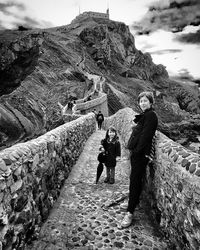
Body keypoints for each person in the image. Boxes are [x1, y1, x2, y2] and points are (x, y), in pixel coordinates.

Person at [121, 91, 158, 228]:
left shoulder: (152, 116)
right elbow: (142, 127)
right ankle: (133, 202)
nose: (142, 103)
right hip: (137, 154)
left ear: (151, 102)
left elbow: (146, 137)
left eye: (145, 101)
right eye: (141, 101)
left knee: (135, 181)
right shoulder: (146, 115)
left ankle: (130, 212)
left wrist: (136, 152)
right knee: (134, 180)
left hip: (141, 155)